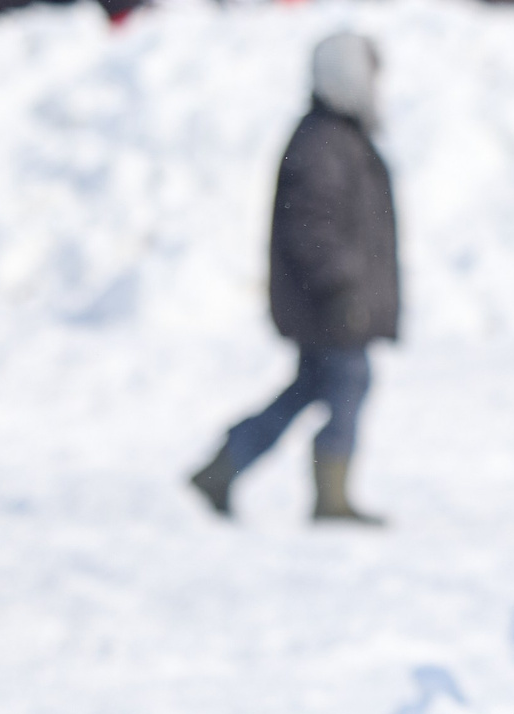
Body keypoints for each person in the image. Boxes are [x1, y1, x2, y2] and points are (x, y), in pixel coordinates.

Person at [190, 33, 399, 524]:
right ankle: (331, 498)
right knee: (348, 381)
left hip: (332, 300)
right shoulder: (324, 142)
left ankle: (224, 467)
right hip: (331, 302)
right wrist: (343, 285)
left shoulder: (340, 137)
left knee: (310, 387)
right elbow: (311, 226)